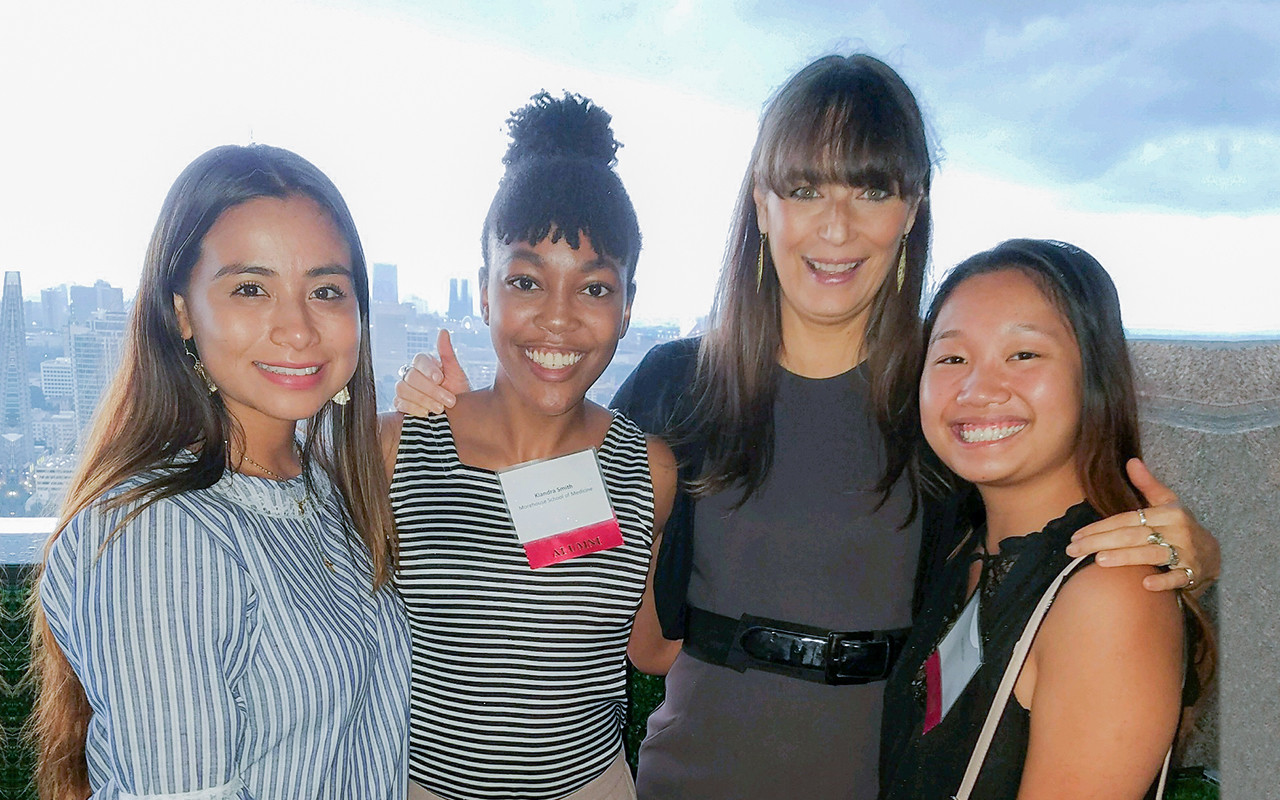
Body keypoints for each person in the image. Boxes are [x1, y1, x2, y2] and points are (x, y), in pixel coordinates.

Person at [394, 56, 1220, 799]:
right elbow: (551, 520)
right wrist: (445, 408)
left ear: (911, 209)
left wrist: (1191, 554)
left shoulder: (944, 401)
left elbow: (1038, 540)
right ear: (761, 203)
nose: (835, 227)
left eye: (870, 189)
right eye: (803, 188)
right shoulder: (678, 386)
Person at [31, 145, 410, 799]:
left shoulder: (320, 491)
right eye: (250, 289)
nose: (296, 327)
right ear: (182, 312)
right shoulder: (161, 535)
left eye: (325, 290)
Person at [380, 92, 677, 800]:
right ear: (483, 292)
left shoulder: (649, 471)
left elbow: (651, 646)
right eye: (525, 281)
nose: (558, 318)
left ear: (628, 304)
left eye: (595, 287)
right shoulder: (396, 448)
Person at [879, 239, 1212, 799]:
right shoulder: (965, 549)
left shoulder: (1110, 591)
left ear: (1095, 377)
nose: (977, 389)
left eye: (1024, 355)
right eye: (952, 358)